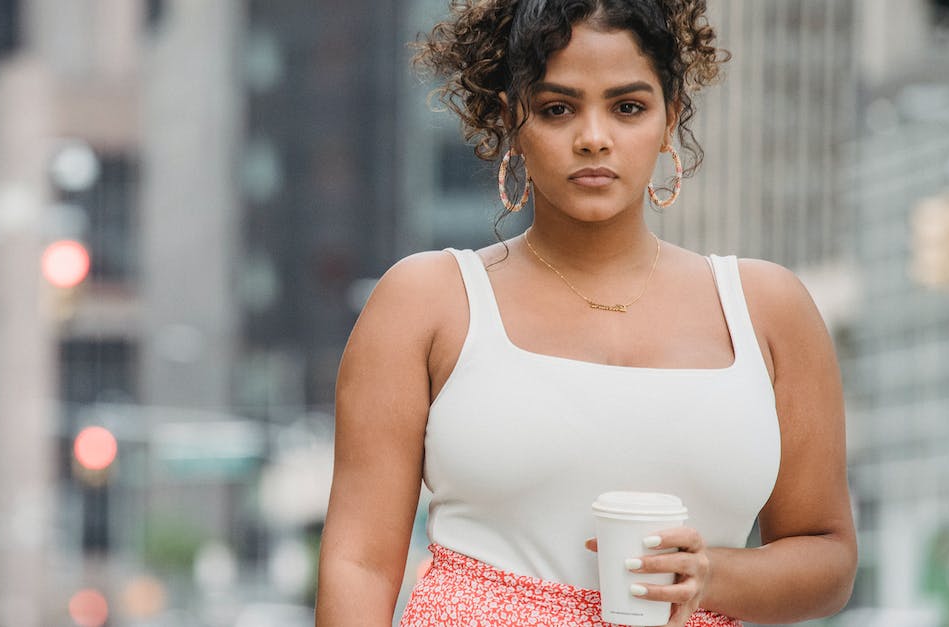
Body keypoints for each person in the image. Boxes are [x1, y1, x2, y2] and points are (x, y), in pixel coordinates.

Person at [315, 0, 857, 625]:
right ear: (511, 119)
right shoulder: (426, 301)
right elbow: (359, 562)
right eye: (557, 108)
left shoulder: (768, 310)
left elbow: (827, 554)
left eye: (627, 107)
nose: (594, 137)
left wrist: (709, 576)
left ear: (670, 115)